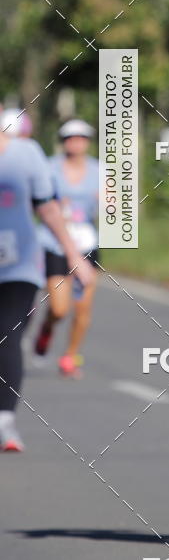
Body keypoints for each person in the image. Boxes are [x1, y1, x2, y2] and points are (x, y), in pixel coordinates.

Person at [0, 119, 93, 451]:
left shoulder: (27, 154)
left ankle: (5, 421)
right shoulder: (47, 159)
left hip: (20, 264)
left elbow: (48, 207)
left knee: (8, 334)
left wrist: (74, 254)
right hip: (33, 254)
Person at [34, 119, 100, 378]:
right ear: (63, 141)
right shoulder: (49, 168)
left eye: (81, 137)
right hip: (55, 243)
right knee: (60, 308)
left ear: (87, 142)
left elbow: (114, 207)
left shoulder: (100, 170)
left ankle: (70, 356)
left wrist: (108, 204)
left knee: (83, 308)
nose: (76, 142)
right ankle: (47, 328)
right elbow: (38, 202)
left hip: (86, 243)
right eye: (71, 137)